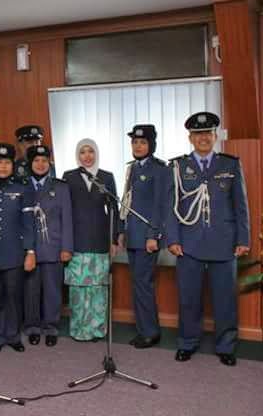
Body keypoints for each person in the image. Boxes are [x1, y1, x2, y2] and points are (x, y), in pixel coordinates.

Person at [167, 112, 250, 366]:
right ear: (190, 138)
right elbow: (170, 207)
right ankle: (187, 343)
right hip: (188, 244)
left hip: (224, 243)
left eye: (207, 133)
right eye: (198, 134)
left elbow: (241, 206)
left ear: (215, 136)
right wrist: (173, 239)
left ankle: (226, 346)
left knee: (225, 300)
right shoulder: (177, 167)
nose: (203, 138)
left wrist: (243, 239)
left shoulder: (230, 165)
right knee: (189, 298)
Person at [62, 138, 118, 342]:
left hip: (100, 240)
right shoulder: (69, 177)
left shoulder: (106, 177)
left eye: (91, 151)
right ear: (78, 155)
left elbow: (114, 210)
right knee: (78, 289)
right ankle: (79, 329)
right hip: (76, 241)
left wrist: (114, 239)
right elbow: (64, 210)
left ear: (96, 153)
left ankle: (96, 329)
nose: (87, 156)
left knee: (98, 288)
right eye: (83, 152)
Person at [118, 124, 169, 349]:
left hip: (147, 237)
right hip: (133, 235)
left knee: (143, 285)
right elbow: (126, 202)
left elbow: (160, 206)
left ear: (151, 144)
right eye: (135, 142)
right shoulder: (132, 168)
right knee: (138, 284)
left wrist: (153, 235)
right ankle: (144, 329)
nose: (138, 146)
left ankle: (150, 332)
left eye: (143, 142)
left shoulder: (159, 169)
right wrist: (121, 231)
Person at [0, 143, 35, 354]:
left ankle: (13, 335)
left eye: (7, 162)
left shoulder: (22, 189)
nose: (3, 166)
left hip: (15, 252)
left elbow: (28, 223)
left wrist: (30, 251)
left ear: (13, 165)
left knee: (13, 296)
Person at [23, 145, 73, 347]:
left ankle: (51, 326)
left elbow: (67, 219)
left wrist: (67, 248)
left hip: (53, 246)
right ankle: (33, 327)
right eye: (36, 160)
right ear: (30, 163)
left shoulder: (60, 187)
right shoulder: (22, 186)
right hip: (29, 248)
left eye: (44, 160)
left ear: (49, 163)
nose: (40, 164)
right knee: (31, 291)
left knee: (52, 290)